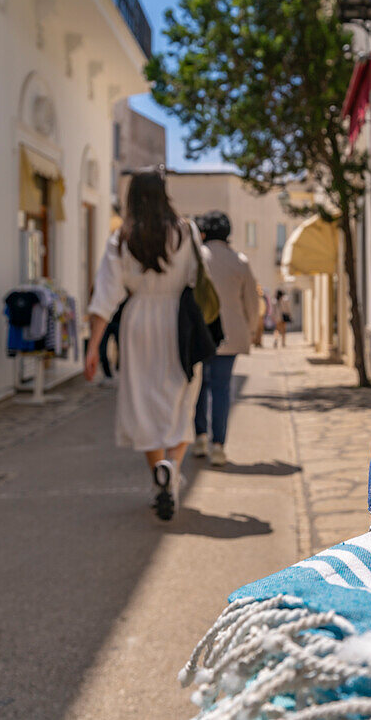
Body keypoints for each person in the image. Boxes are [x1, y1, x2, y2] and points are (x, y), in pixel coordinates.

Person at [84, 170, 201, 521]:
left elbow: (105, 295)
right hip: (179, 322)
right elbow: (199, 277)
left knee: (142, 402)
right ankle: (173, 470)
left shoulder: (121, 237)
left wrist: (93, 348)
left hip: (137, 322)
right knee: (181, 400)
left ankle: (158, 474)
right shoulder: (186, 231)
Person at [193, 211, 259, 466]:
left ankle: (199, 436)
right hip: (230, 335)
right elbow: (251, 301)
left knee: (199, 386)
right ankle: (218, 445)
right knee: (221, 388)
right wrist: (251, 328)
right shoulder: (239, 260)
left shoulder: (198, 256)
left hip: (200, 334)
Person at [253, 283, 267, 348]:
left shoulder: (261, 297)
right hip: (257, 315)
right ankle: (256, 342)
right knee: (257, 330)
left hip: (261, 315)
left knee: (260, 330)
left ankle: (259, 342)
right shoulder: (255, 298)